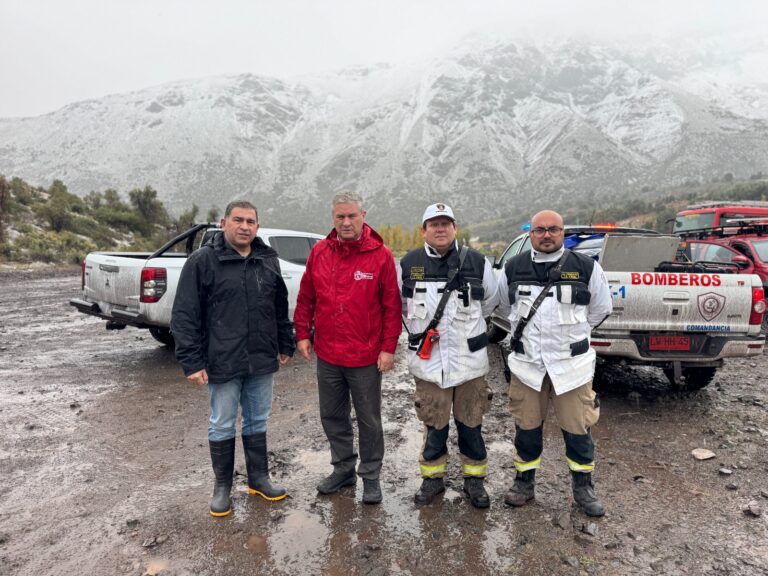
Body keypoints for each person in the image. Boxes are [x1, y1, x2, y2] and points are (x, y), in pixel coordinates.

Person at [171, 200, 295, 517]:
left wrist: (285, 342)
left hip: (261, 357)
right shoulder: (203, 261)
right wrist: (192, 361)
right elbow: (185, 315)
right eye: (237, 220)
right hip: (221, 359)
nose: (244, 226)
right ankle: (222, 486)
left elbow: (279, 307)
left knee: (257, 419)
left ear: (257, 227)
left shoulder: (268, 260)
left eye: (250, 221)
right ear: (224, 223)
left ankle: (259, 479)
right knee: (222, 423)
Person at [497, 210, 612, 517]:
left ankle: (583, 488)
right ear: (530, 234)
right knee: (527, 427)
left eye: (553, 229)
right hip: (527, 366)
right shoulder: (513, 267)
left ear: (563, 233)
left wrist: (570, 339)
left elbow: (600, 310)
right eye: (539, 230)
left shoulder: (586, 268)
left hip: (571, 368)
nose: (546, 235)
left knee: (578, 429)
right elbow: (504, 305)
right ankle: (524, 483)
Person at [293, 191, 401, 505]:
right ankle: (342, 469)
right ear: (333, 219)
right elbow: (306, 297)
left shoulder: (380, 255)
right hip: (328, 354)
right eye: (340, 216)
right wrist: (303, 333)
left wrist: (388, 348)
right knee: (332, 416)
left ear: (363, 216)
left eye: (352, 215)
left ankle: (370, 476)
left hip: (366, 356)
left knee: (369, 420)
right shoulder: (320, 252)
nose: (346, 222)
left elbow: (391, 308)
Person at [400, 203, 499, 508]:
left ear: (455, 228)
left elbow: (491, 303)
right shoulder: (408, 264)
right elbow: (401, 307)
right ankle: (432, 481)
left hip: (470, 366)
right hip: (430, 367)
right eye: (433, 224)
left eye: (446, 223)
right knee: (434, 426)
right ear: (423, 230)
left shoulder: (478, 262)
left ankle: (475, 482)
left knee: (471, 425)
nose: (440, 229)